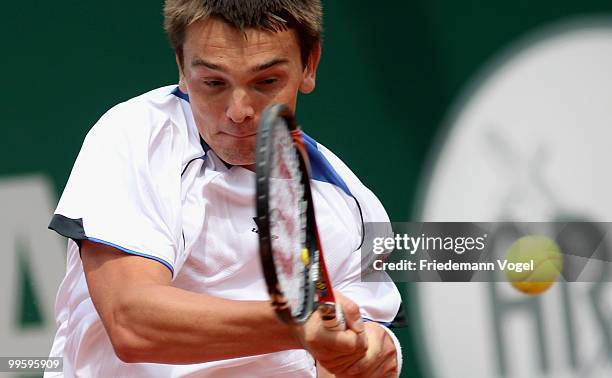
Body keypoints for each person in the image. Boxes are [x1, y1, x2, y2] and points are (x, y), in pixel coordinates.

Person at [46, 0, 404, 376]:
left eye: (266, 82)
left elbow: (360, 351)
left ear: (309, 66)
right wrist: (296, 324)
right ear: (182, 70)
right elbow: (132, 322)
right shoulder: (136, 134)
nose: (238, 111)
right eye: (214, 83)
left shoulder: (351, 203)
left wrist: (368, 355)